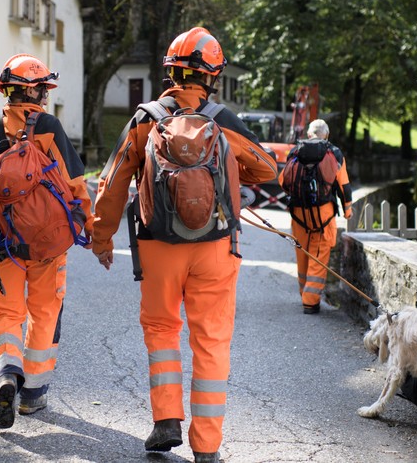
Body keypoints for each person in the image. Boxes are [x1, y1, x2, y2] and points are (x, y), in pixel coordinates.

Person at [90, 27, 278, 463]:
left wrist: (102, 239)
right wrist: (229, 176)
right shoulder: (222, 119)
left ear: (170, 70)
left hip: (157, 245)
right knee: (211, 340)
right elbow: (268, 168)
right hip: (216, 245)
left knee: (161, 329)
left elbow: (113, 183)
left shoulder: (145, 118)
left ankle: (166, 421)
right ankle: (208, 448)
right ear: (211, 76)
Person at [0, 54, 95, 429]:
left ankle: (7, 374)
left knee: (6, 314)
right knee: (44, 314)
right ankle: (32, 396)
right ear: (38, 91)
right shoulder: (49, 127)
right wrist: (87, 225)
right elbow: (75, 182)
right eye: (44, 89)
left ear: (6, 91)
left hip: (1, 243)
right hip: (48, 244)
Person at [284, 118, 352, 314]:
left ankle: (304, 292)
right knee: (319, 255)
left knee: (302, 253)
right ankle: (310, 301)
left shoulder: (295, 151)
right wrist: (347, 210)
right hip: (323, 215)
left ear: (309, 134)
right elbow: (343, 184)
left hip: (299, 214)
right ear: (327, 135)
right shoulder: (334, 153)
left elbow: (284, 181)